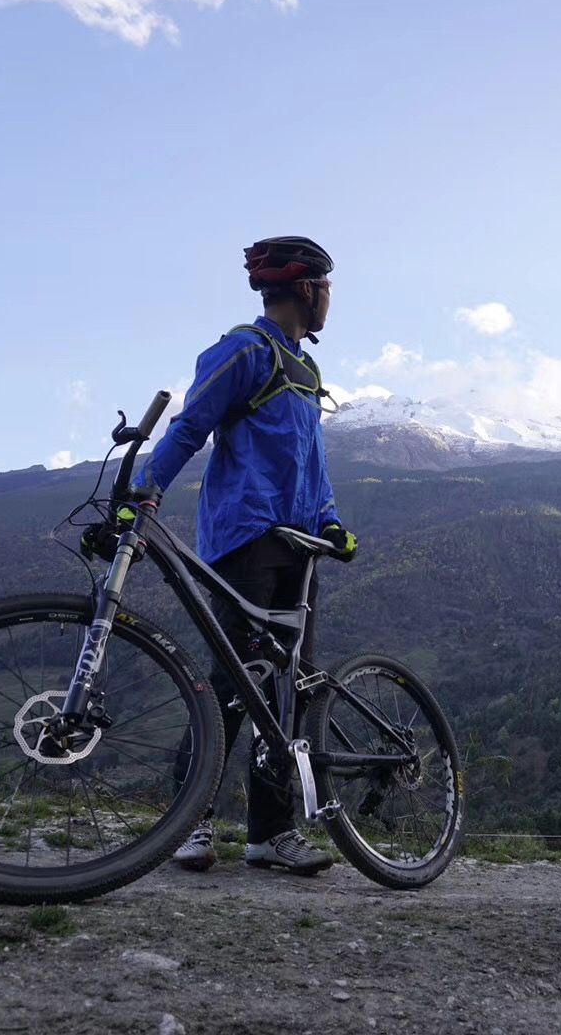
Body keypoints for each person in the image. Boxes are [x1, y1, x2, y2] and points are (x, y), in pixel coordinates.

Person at [139, 235, 358, 875]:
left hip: (301, 546)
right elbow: (190, 424)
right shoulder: (244, 349)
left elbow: (308, 464)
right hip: (246, 538)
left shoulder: (307, 370)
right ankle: (193, 820)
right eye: (328, 291)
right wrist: (147, 488)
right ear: (308, 289)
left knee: (289, 690)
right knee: (231, 681)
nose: (330, 305)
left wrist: (332, 521)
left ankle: (271, 832)